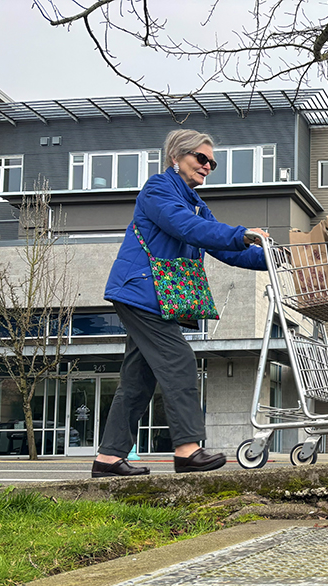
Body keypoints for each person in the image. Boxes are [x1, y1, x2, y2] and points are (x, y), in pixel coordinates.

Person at [91, 129, 269, 478]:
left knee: (137, 380)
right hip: (141, 291)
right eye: (201, 158)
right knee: (179, 361)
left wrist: (274, 259)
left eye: (212, 163)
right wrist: (242, 232)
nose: (207, 166)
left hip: (156, 297)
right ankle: (187, 449)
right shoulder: (158, 189)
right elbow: (187, 228)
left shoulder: (196, 203)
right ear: (176, 157)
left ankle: (108, 458)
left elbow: (220, 247)